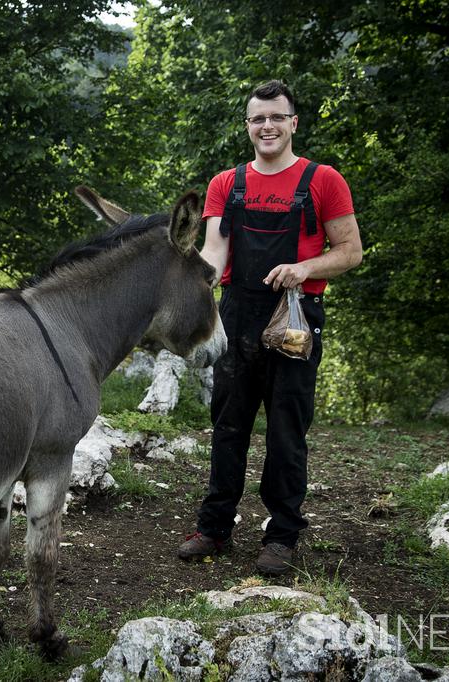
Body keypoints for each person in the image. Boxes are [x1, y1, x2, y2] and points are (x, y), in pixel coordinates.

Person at [177, 80, 362, 576]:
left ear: (293, 122)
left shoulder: (323, 180)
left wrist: (305, 269)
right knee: (228, 425)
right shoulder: (227, 184)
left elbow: (351, 251)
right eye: (258, 118)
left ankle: (282, 536)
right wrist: (182, 274)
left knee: (287, 430)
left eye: (276, 117)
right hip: (237, 315)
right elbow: (215, 256)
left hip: (297, 317)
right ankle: (214, 529)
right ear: (248, 126)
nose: (267, 126)